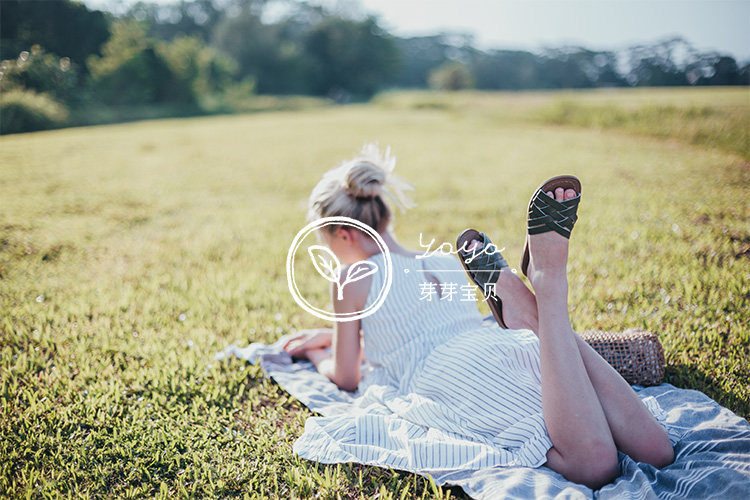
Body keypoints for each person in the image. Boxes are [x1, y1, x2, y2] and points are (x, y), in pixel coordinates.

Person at [282, 143, 674, 489]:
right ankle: (536, 316)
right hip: (505, 347)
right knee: (657, 450)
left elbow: (347, 376)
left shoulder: (352, 277)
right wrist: (330, 336)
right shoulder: (442, 261)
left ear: (343, 234)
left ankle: (545, 290)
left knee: (595, 465)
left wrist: (315, 354)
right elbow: (410, 328)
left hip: (455, 379)